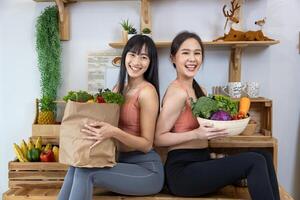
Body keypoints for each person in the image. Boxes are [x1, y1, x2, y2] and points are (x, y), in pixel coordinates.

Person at [154, 31, 280, 200]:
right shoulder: (177, 93)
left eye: (197, 53)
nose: (192, 59)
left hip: (201, 161)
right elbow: (158, 138)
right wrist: (196, 134)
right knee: (254, 161)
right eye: (185, 53)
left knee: (263, 155)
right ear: (173, 58)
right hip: (183, 172)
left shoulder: (200, 90)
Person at [58, 35, 164, 200]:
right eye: (133, 54)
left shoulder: (147, 92)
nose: (136, 62)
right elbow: (105, 123)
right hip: (118, 163)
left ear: (150, 62)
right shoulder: (118, 89)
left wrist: (113, 132)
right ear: (125, 56)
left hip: (146, 170)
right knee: (76, 166)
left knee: (85, 173)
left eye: (144, 57)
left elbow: (146, 144)